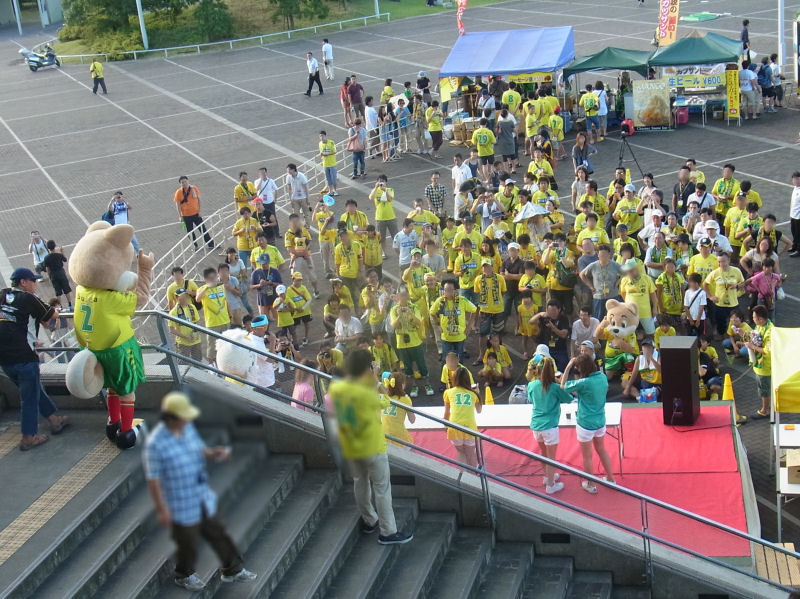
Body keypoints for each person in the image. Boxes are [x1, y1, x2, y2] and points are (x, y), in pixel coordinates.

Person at [143, 392, 257, 591]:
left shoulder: (186, 429)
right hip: (179, 501)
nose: (188, 420)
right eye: (184, 417)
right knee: (187, 540)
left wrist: (213, 453)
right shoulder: (156, 444)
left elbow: (199, 449)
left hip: (200, 494)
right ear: (171, 418)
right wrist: (161, 509)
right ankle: (184, 574)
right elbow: (154, 480)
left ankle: (233, 570)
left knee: (217, 532)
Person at [328, 349, 413, 545]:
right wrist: (376, 380)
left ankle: (369, 519)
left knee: (360, 483)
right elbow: (386, 399)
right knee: (382, 489)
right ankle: (388, 532)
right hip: (373, 446)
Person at [0, 268, 68, 450]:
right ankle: (28, 437)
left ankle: (54, 419)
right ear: (23, 282)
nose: (35, 284)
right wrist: (56, 309)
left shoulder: (3, 294)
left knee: (33, 389)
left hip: (4, 359)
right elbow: (51, 315)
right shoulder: (29, 298)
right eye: (33, 281)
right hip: (23, 355)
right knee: (29, 397)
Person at [562, 354, 616, 493]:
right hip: (600, 421)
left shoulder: (584, 382)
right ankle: (611, 479)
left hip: (585, 423)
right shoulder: (602, 377)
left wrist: (568, 366)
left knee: (587, 456)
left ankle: (590, 484)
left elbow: (563, 386)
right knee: (601, 450)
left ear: (583, 368)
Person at [528, 357, 571, 494]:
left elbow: (530, 398)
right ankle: (551, 485)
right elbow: (569, 399)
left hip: (536, 426)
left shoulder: (532, 385)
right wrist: (560, 382)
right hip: (550, 426)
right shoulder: (555, 388)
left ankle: (548, 477)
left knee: (544, 453)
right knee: (551, 458)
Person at [390, 287, 432, 398]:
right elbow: (393, 325)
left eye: (405, 294)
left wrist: (410, 314)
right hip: (401, 343)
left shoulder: (414, 307)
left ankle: (427, 384)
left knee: (421, 364)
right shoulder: (394, 309)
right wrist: (399, 315)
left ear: (408, 296)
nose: (403, 297)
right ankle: (414, 386)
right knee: (408, 367)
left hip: (415, 342)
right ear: (397, 296)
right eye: (400, 294)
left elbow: (419, 323)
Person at [443, 366, 482, 468]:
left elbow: (446, 413)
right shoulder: (473, 394)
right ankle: (474, 476)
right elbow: (479, 411)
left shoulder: (448, 392)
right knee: (471, 454)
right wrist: (478, 393)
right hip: (470, 427)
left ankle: (463, 475)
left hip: (454, 427)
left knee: (461, 452)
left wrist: (445, 426)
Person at [430, 279, 477, 361]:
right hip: (446, 337)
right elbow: (432, 312)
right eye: (445, 290)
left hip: (459, 337)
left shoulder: (462, 300)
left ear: (455, 290)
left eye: (449, 290)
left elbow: (474, 310)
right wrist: (438, 325)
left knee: (459, 359)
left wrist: (469, 326)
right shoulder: (440, 301)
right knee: (446, 360)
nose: (447, 292)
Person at [747, 305, 773, 420]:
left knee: (764, 389)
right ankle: (768, 407)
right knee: (763, 388)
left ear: (761, 319)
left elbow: (768, 351)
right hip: (759, 365)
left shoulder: (770, 331)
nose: (753, 320)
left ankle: (765, 410)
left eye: (754, 318)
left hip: (765, 367)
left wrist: (752, 346)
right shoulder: (760, 325)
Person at [530, 300, 571, 371]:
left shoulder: (563, 318)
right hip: (545, 348)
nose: (551, 313)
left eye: (553, 311)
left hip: (559, 348)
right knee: (538, 366)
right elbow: (531, 322)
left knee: (563, 367)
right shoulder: (545, 317)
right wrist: (539, 314)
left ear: (559, 309)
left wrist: (553, 327)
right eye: (549, 311)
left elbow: (563, 335)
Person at [380, 371, 415, 446]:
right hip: (399, 437)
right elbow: (412, 420)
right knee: (409, 445)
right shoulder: (405, 399)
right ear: (402, 385)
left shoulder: (384, 396)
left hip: (383, 436)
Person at [168, 287, 202, 362]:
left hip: (196, 341)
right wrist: (186, 337)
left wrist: (195, 333)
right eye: (182, 296)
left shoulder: (192, 307)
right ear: (177, 297)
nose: (185, 297)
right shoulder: (173, 312)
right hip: (183, 344)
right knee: (183, 364)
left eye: (186, 295)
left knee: (198, 362)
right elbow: (171, 330)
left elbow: (197, 322)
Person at [371, 175, 398, 257]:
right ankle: (384, 252)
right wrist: (375, 188)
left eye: (383, 181)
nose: (381, 182)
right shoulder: (375, 191)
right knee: (381, 237)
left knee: (395, 236)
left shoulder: (390, 190)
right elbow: (371, 197)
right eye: (379, 181)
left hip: (391, 217)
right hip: (380, 218)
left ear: (386, 182)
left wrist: (385, 190)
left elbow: (390, 199)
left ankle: (399, 252)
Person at [42, 240, 73, 309]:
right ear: (55, 246)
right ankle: (70, 305)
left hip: (53, 275)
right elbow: (65, 260)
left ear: (47, 248)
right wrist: (62, 252)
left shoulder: (46, 258)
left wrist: (49, 277)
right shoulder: (59, 255)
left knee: (58, 292)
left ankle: (60, 306)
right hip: (61, 273)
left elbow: (47, 268)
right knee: (66, 289)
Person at [318, 130, 338, 196]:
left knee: (334, 179)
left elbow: (335, 151)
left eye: (322, 136)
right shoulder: (320, 144)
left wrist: (326, 154)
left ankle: (335, 190)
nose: (321, 137)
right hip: (325, 164)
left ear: (325, 136)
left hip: (332, 164)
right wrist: (321, 154)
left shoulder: (331, 142)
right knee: (328, 179)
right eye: (320, 136)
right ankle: (330, 191)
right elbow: (321, 152)